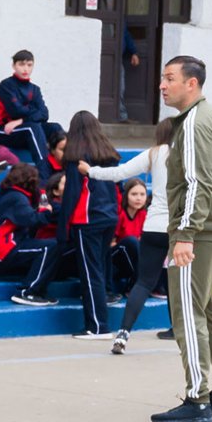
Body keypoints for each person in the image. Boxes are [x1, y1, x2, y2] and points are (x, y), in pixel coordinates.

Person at [153, 55, 212, 422]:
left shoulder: (194, 124)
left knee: (188, 316)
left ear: (191, 83)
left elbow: (197, 183)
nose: (163, 85)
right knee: (210, 309)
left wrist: (185, 235)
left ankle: (198, 399)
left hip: (200, 232)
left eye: (170, 78)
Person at [80, 119, 175, 352]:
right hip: (179, 227)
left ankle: (123, 333)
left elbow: (120, 172)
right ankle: (178, 328)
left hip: (153, 226)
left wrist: (90, 171)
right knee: (177, 281)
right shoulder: (190, 156)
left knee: (144, 282)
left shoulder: (154, 153)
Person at [59, 111, 121, 339]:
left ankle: (97, 326)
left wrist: (62, 229)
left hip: (87, 220)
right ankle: (99, 323)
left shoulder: (77, 156)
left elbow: (72, 195)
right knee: (100, 270)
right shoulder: (108, 153)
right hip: (108, 217)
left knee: (90, 273)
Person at [0, 164, 62, 307]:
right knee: (51, 247)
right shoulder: (18, 198)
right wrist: (46, 212)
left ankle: (37, 288)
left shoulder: (8, 194)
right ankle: (29, 292)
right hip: (5, 249)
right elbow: (32, 219)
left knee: (49, 246)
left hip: (1, 248)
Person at [0, 50, 62, 181]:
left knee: (55, 127)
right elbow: (15, 111)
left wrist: (21, 120)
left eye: (29, 65)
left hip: (22, 129)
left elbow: (45, 114)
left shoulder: (35, 89)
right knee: (32, 127)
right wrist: (30, 113)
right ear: (14, 66)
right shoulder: (6, 86)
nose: (25, 69)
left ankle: (63, 167)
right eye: (21, 64)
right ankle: (44, 174)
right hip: (3, 131)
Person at [111, 178, 149, 302]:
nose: (138, 198)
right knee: (131, 242)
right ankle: (136, 283)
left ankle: (135, 285)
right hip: (115, 258)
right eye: (134, 194)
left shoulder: (144, 215)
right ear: (126, 195)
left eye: (142, 194)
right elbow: (111, 244)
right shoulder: (119, 213)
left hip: (132, 258)